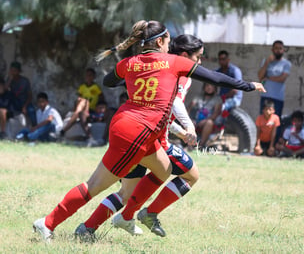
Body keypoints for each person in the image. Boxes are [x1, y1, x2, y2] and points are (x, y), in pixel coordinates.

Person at [32, 20, 265, 242]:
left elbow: (109, 82)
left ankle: (125, 216)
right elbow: (215, 78)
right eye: (168, 41)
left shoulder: (129, 63)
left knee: (164, 168)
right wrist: (248, 85)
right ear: (162, 41)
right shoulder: (175, 63)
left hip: (133, 126)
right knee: (94, 186)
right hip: (136, 132)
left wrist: (135, 78)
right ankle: (48, 223)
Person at [75, 34, 204, 240]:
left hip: (132, 134)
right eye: (198, 57)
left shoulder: (158, 66)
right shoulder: (176, 74)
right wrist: (185, 129)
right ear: (184, 55)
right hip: (152, 141)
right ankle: (145, 214)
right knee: (191, 175)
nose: (200, 62)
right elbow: (165, 112)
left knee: (126, 193)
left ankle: (88, 228)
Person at [258, 40, 291, 142]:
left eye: (280, 48)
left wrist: (268, 78)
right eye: (276, 48)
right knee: (263, 122)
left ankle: (273, 146)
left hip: (278, 98)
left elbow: (282, 79)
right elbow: (260, 76)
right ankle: (261, 145)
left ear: (283, 50)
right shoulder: (266, 61)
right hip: (265, 95)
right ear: (272, 50)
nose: (278, 50)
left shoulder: (286, 64)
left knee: (276, 123)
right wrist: (267, 62)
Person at [60, 68, 105, 139]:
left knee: (84, 101)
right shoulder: (82, 87)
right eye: (87, 75)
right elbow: (78, 100)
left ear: (93, 77)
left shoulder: (96, 87)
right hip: (82, 109)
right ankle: (75, 114)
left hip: (90, 109)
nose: (88, 77)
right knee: (81, 100)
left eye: (90, 75)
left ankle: (63, 130)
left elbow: (101, 99)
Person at [188, 83, 223, 148]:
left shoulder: (217, 99)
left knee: (209, 123)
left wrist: (204, 121)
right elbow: (190, 107)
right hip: (195, 119)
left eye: (211, 86)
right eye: (207, 85)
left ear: (215, 88)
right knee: (189, 123)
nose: (209, 87)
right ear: (204, 87)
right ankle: (189, 145)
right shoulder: (198, 96)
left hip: (207, 121)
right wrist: (188, 119)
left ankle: (200, 145)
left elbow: (216, 113)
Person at [6, 61, 37, 126]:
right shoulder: (10, 79)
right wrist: (10, 79)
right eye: (11, 70)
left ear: (19, 71)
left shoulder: (25, 81)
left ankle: (35, 126)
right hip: (15, 102)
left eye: (15, 71)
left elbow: (30, 96)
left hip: (24, 102)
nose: (13, 72)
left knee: (31, 111)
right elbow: (4, 90)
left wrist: (25, 106)